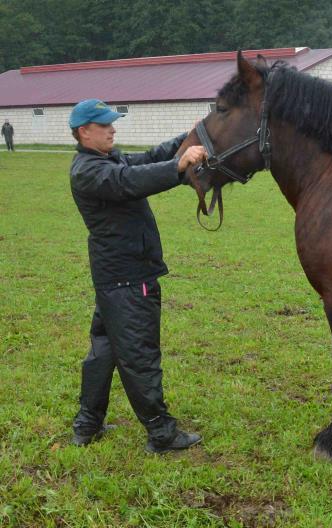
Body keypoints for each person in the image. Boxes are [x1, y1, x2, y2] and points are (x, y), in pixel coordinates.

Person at [68, 98, 207, 453]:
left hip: (115, 276)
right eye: (105, 125)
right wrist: (179, 166)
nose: (113, 129)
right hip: (128, 278)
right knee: (139, 354)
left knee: (104, 350)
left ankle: (88, 424)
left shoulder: (106, 159)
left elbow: (146, 160)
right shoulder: (89, 170)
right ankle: (160, 433)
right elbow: (130, 180)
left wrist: (190, 137)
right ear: (85, 132)